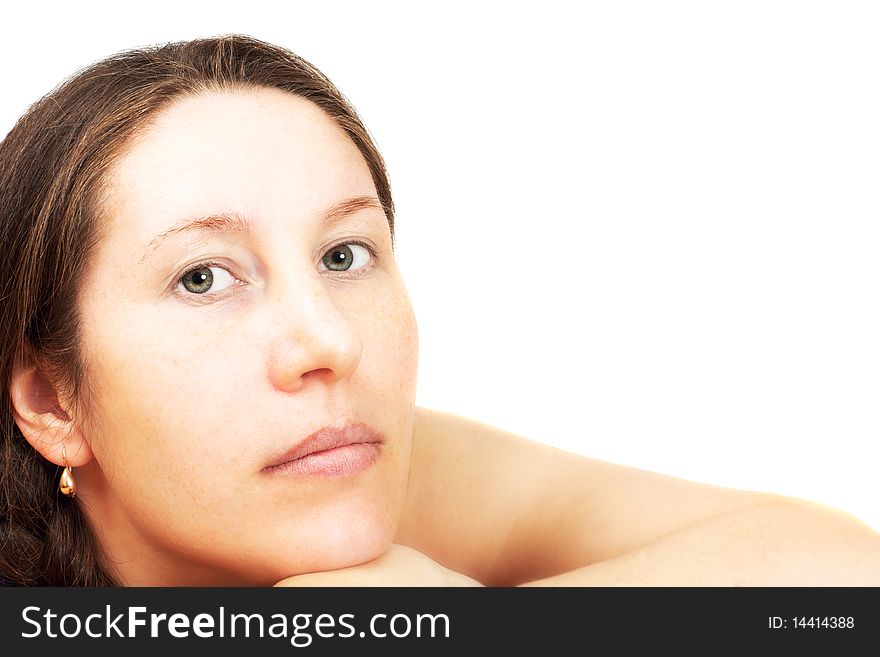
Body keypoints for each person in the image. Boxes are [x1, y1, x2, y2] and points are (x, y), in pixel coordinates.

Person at [0, 34, 877, 587]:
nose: (328, 342)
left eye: (344, 255)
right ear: (52, 402)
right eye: (203, 278)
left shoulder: (340, 447)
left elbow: (839, 577)